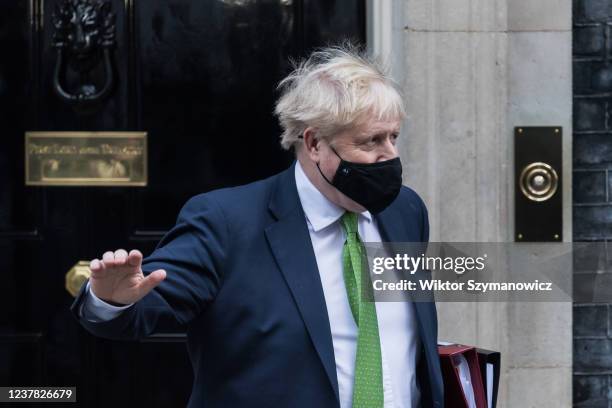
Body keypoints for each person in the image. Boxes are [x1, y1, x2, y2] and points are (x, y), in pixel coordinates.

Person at [71, 45, 444, 408]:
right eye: (372, 141)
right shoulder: (226, 222)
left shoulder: (404, 210)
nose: (390, 156)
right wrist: (111, 300)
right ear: (314, 143)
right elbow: (146, 310)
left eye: (393, 137)